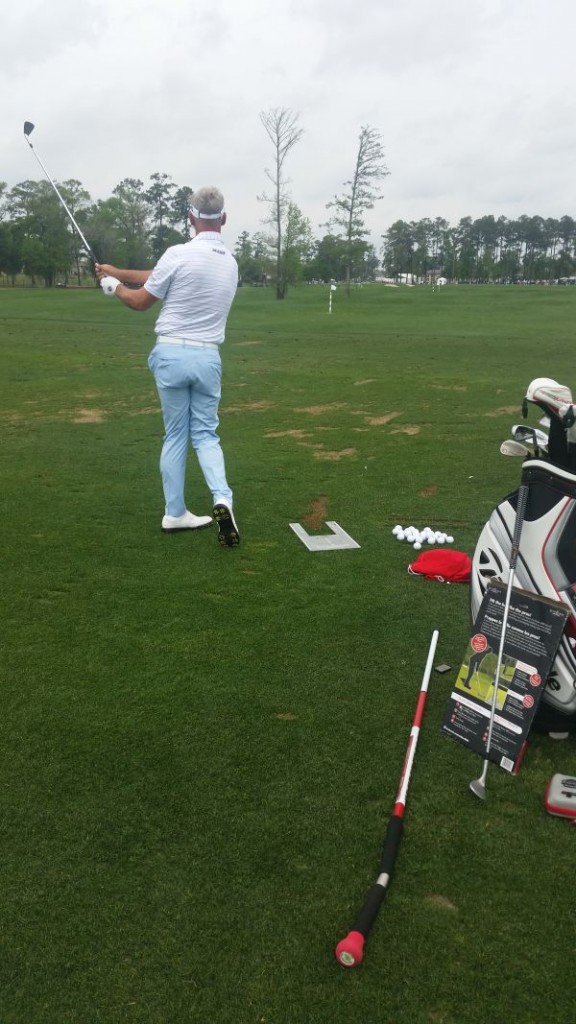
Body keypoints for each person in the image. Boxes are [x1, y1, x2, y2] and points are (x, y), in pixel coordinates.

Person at [95, 186, 240, 547]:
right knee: (206, 434)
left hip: (171, 355)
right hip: (207, 358)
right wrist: (118, 271)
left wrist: (113, 286)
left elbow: (141, 301)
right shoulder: (230, 262)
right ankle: (222, 498)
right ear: (223, 218)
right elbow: (160, 272)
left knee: (175, 434)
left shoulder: (177, 254)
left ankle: (175, 512)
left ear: (190, 218)